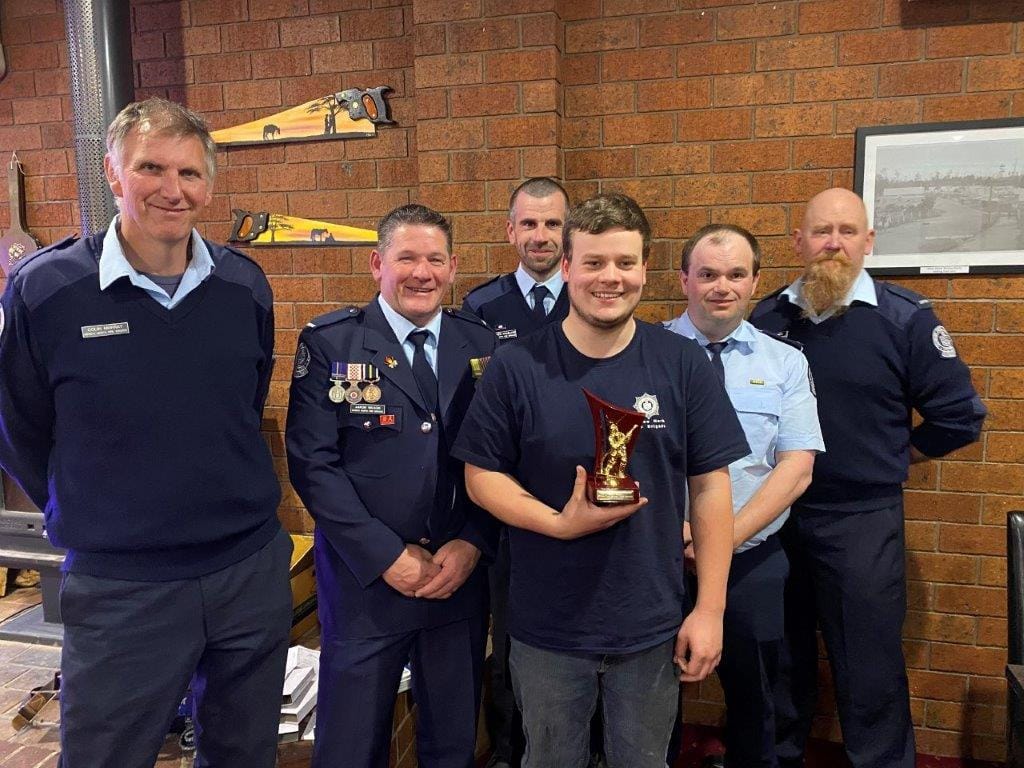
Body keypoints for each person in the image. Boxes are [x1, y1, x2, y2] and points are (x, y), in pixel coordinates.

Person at [0, 97, 292, 768]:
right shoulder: (46, 290)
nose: (172, 189)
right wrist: (83, 506)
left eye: (190, 174)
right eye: (150, 168)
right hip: (121, 586)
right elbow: (16, 424)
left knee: (246, 754)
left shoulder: (244, 285)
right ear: (113, 173)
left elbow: (242, 406)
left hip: (246, 572)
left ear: (210, 185)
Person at [452, 193, 750, 768]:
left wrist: (709, 609)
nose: (608, 278)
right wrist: (559, 524)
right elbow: (481, 474)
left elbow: (711, 486)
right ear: (566, 268)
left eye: (623, 263)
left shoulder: (681, 363)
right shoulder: (517, 366)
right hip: (547, 629)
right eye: (593, 263)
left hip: (650, 624)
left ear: (645, 268)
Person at [749, 188, 986, 768]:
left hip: (860, 521)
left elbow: (960, 417)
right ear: (798, 242)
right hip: (774, 516)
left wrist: (893, 457)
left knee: (868, 663)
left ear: (869, 242)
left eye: (848, 231)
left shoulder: (905, 318)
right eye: (822, 231)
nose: (834, 243)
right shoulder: (767, 317)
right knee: (777, 656)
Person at [286, 203, 498, 768]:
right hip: (366, 584)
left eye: (435, 259)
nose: (421, 273)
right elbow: (313, 465)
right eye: (407, 258)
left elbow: (502, 460)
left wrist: (473, 542)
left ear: (453, 268)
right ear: (378, 264)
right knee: (351, 745)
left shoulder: (480, 345)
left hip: (457, 578)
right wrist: (385, 556)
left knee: (452, 743)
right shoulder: (333, 343)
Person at [665, 224, 824, 768]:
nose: (721, 286)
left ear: (755, 281)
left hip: (751, 557)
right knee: (648, 695)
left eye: (736, 274)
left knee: (758, 695)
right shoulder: (643, 353)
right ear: (684, 278)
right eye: (707, 274)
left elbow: (796, 469)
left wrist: (721, 539)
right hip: (657, 557)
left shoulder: (785, 363)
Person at [461, 176, 570, 768]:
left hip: (578, 500)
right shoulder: (482, 307)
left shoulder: (592, 295)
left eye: (552, 223)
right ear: (510, 231)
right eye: (529, 223)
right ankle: (507, 751)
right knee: (506, 641)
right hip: (503, 503)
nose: (541, 235)